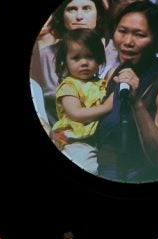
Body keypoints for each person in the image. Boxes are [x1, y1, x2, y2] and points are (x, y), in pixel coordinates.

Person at [95, 1, 158, 182]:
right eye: (122, 31)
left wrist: (136, 103)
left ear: (157, 39)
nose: (128, 42)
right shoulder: (112, 73)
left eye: (139, 35)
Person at [51, 28, 115, 174]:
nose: (84, 63)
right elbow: (76, 113)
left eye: (90, 57)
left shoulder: (101, 83)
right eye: (76, 58)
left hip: (97, 140)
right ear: (64, 62)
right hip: (75, 141)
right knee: (90, 170)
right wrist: (107, 106)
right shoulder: (69, 85)